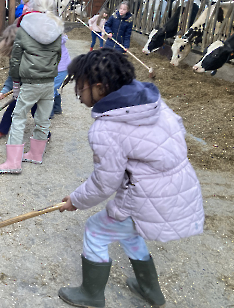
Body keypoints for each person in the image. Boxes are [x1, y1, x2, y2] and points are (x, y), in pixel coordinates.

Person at [57, 48, 205, 308]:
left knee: (96, 229)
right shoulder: (151, 102)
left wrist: (76, 201)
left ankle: (91, 294)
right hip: (180, 187)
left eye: (81, 89)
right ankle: (150, 290)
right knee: (129, 233)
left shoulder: (106, 129)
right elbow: (177, 134)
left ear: (101, 89)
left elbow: (105, 182)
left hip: (147, 198)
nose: (78, 96)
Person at [0, 0, 64, 174]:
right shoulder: (56, 29)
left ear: (32, 6)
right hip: (48, 82)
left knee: (18, 119)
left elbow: (15, 59)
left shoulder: (24, 27)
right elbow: (58, 55)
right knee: (42, 119)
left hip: (30, 82)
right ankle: (35, 154)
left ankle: (13, 163)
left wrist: (15, 83)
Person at [0, 33, 71, 141]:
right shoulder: (16, 59)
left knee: (38, 112)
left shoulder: (36, 56)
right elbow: (12, 76)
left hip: (37, 88)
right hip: (24, 89)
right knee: (12, 108)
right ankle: (2, 130)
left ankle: (45, 134)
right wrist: (5, 90)